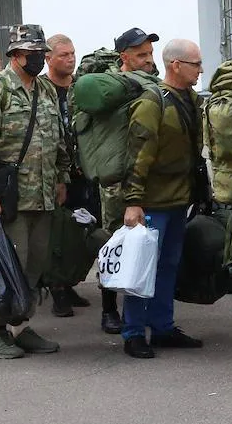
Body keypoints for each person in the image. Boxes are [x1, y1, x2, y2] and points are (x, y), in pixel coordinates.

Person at [0, 24, 69, 359]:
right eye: (32, 53)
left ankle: (20, 327)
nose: (38, 58)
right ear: (15, 55)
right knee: (8, 266)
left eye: (41, 52)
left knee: (33, 267)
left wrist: (60, 178)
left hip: (41, 195)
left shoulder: (45, 89)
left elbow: (57, 136)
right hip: (9, 198)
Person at [117, 39, 208, 359]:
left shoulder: (192, 100)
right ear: (176, 65)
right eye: (195, 64)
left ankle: (162, 327)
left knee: (168, 266)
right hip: (151, 200)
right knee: (143, 266)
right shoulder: (151, 101)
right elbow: (138, 155)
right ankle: (132, 332)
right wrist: (133, 201)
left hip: (178, 199)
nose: (200, 70)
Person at [97, 27, 162, 335]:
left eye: (150, 53)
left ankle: (140, 307)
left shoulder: (151, 81)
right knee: (114, 242)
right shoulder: (112, 87)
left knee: (143, 242)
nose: (149, 59)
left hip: (144, 173)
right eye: (141, 55)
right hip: (116, 177)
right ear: (124, 57)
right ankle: (109, 309)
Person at [43, 32, 94, 318]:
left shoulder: (81, 88)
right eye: (63, 54)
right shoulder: (41, 89)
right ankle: (57, 289)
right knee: (57, 233)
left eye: (72, 53)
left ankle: (71, 281)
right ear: (48, 58)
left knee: (82, 228)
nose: (70, 58)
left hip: (83, 170)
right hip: (54, 172)